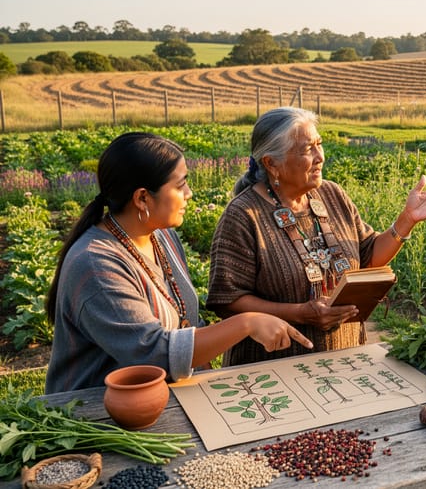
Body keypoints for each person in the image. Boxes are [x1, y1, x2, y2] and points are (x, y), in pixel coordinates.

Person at [45, 132, 312, 394]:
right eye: (180, 185)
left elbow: (187, 325)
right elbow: (152, 355)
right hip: (98, 414)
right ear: (142, 198)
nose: (189, 193)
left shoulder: (162, 237)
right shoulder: (96, 263)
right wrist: (247, 323)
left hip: (164, 398)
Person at [207, 106, 426, 366]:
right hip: (274, 369)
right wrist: (300, 314)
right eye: (308, 149)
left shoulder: (332, 195)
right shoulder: (243, 215)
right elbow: (228, 300)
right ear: (272, 164)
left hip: (344, 361)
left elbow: (368, 257)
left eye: (320, 145)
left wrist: (406, 220)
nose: (320, 157)